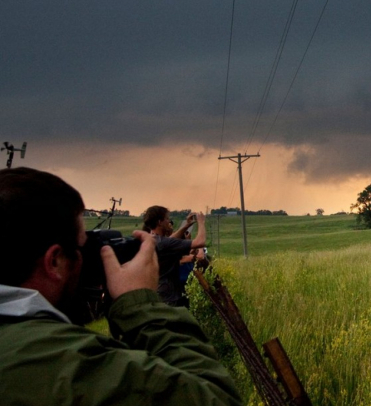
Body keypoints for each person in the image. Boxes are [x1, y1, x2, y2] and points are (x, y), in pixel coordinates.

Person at [0, 167, 242, 405]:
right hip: (166, 301)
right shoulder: (62, 362)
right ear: (54, 261)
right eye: (83, 246)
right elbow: (213, 399)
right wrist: (140, 307)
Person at [142, 205, 207, 306]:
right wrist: (201, 223)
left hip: (158, 292)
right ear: (160, 222)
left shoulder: (152, 240)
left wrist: (186, 225)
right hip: (170, 297)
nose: (169, 221)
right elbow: (200, 242)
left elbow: (170, 240)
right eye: (167, 218)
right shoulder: (163, 243)